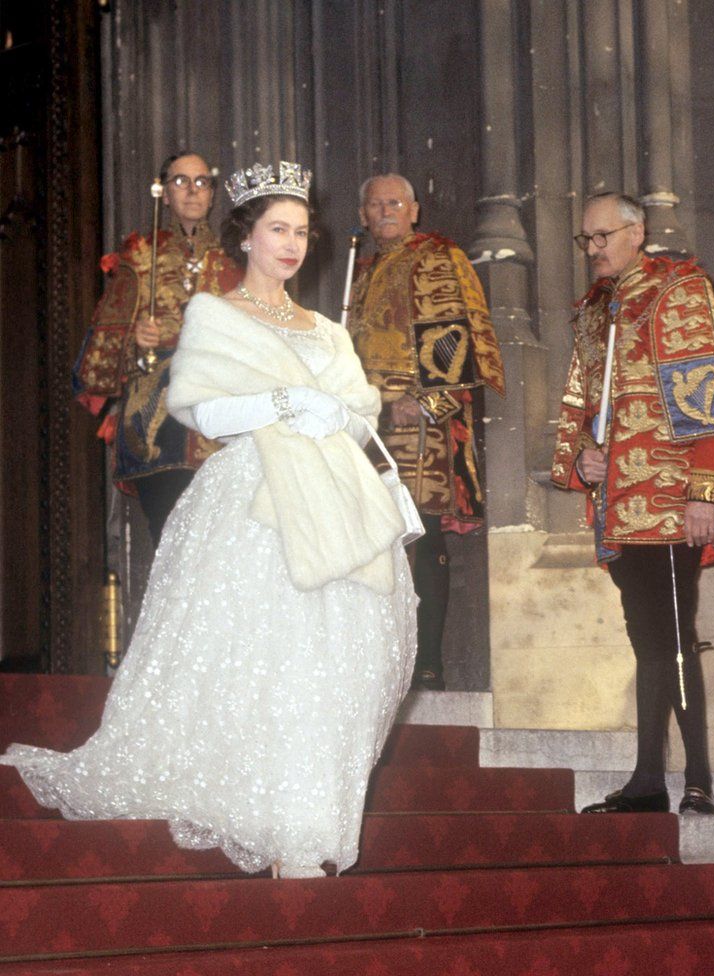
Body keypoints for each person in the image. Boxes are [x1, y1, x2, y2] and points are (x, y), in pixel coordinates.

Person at [2, 161, 417, 878]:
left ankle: (306, 826)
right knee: (262, 659)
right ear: (247, 238)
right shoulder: (215, 313)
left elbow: (357, 418)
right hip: (253, 497)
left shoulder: (327, 329)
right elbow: (197, 406)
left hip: (335, 501)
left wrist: (337, 415)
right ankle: (260, 809)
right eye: (276, 230)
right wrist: (285, 405)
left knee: (327, 669)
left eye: (301, 232)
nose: (290, 244)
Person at [551, 192, 714, 815]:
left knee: (672, 636)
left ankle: (697, 779)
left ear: (637, 232)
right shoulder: (592, 312)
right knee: (646, 638)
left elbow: (708, 388)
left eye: (603, 236)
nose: (593, 249)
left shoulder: (679, 290)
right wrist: (584, 456)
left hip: (671, 496)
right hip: (619, 501)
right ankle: (647, 779)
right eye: (585, 240)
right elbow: (582, 404)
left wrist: (705, 491)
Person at [348, 173, 505, 690]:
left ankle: (427, 665)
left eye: (395, 202)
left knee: (423, 532)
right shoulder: (362, 271)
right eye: (375, 204)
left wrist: (425, 402)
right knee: (368, 540)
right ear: (364, 214)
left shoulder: (438, 257)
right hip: (365, 421)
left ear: (414, 210)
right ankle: (380, 664)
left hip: (421, 424)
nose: (385, 211)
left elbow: (458, 334)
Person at [73, 151, 241, 547]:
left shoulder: (236, 259)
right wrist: (134, 342)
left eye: (201, 182)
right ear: (164, 194)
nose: (192, 191)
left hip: (218, 422)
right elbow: (98, 357)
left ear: (213, 195)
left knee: (219, 545)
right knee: (169, 541)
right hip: (156, 428)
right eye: (180, 182)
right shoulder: (139, 256)